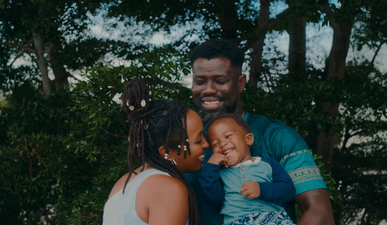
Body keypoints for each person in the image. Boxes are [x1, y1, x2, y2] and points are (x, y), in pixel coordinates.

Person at [185, 39, 334, 225]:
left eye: (220, 81)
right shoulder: (180, 141)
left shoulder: (278, 137)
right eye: (200, 82)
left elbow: (320, 213)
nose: (208, 90)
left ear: (240, 83)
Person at [103, 79, 209, 225]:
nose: (206, 144)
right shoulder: (167, 188)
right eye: (198, 140)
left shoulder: (123, 183)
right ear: (166, 152)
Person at [199, 113, 296, 225]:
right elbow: (213, 198)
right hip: (238, 221)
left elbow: (289, 191)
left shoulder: (268, 164)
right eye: (215, 144)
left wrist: (262, 189)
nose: (222, 144)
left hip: (273, 218)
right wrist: (211, 166)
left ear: (248, 139)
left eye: (228, 136)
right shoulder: (220, 173)